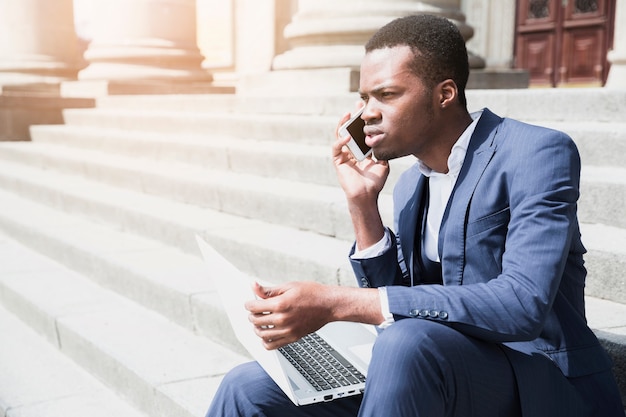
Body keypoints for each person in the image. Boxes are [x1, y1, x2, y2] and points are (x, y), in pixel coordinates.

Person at [206, 14, 623, 417]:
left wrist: (337, 303)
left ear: (445, 94)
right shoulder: (409, 185)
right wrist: (363, 205)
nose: (367, 112)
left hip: (539, 379)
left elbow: (522, 304)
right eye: (365, 97)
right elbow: (400, 305)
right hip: (432, 366)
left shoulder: (535, 152)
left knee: (407, 343)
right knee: (247, 388)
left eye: (386, 95)